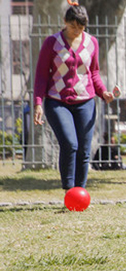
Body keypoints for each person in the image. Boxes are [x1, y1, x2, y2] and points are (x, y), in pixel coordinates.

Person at [33, 4, 114, 190]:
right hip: (57, 102)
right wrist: (38, 103)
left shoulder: (92, 42)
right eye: (73, 26)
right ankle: (69, 190)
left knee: (84, 150)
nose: (76, 31)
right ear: (65, 22)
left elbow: (93, 73)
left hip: (86, 101)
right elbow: (41, 76)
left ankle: (80, 191)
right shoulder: (52, 43)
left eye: (81, 27)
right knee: (70, 144)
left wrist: (103, 93)